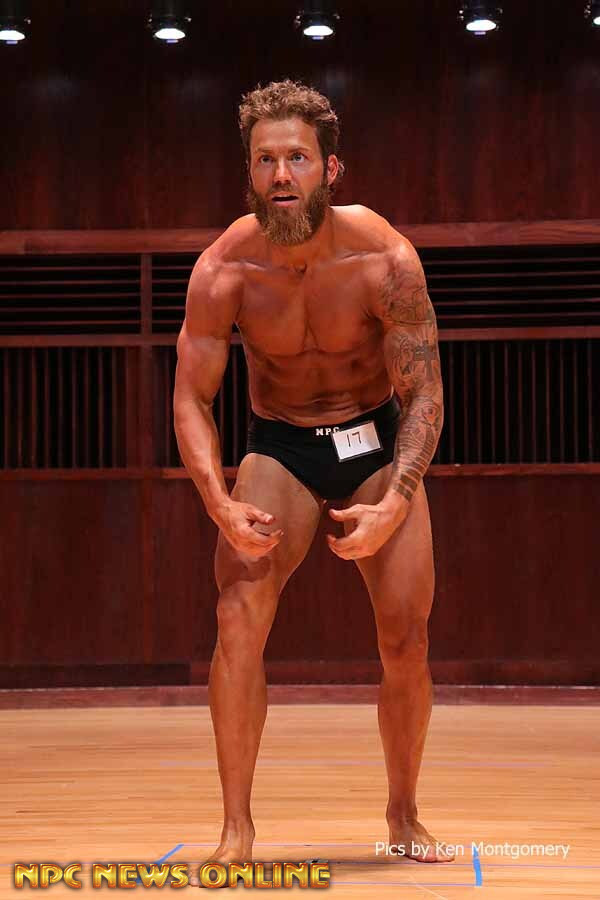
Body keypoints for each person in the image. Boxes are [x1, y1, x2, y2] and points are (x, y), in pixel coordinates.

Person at [173, 79, 453, 868]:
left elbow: (425, 392)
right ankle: (237, 829)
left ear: (331, 169)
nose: (281, 175)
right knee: (237, 616)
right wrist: (220, 503)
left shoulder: (383, 257)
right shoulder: (224, 268)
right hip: (282, 445)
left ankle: (403, 814)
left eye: (297, 157)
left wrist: (397, 500)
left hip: (375, 443)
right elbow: (191, 398)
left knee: (406, 635)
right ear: (249, 172)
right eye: (266, 160)